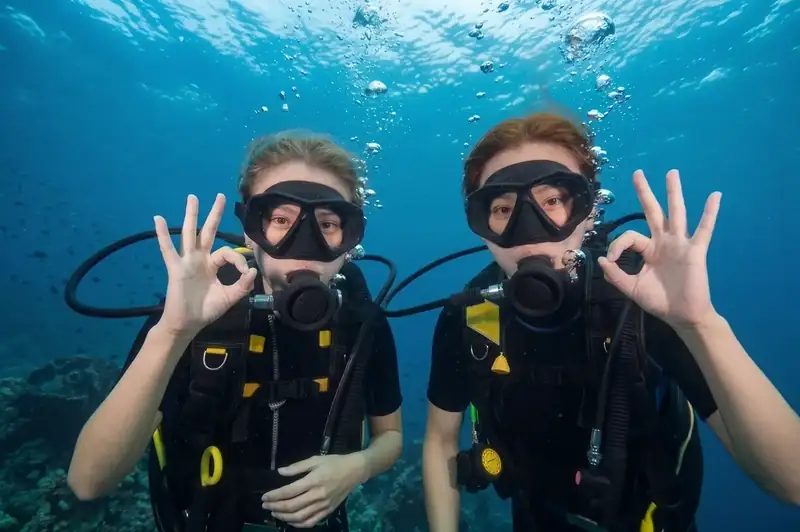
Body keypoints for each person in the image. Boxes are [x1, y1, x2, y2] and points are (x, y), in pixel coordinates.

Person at [422, 112, 800, 531]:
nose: (529, 230)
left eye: (553, 201)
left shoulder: (638, 296)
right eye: (502, 208)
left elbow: (794, 484)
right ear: (482, 228)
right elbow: (440, 441)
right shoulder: (474, 317)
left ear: (588, 211)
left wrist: (700, 322)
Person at [67, 132, 404, 532]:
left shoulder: (362, 321)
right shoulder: (195, 314)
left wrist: (359, 466)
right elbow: (88, 482)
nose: (306, 243)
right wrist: (174, 330)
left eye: (328, 224)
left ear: (351, 239)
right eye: (281, 220)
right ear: (249, 230)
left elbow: (391, 437)